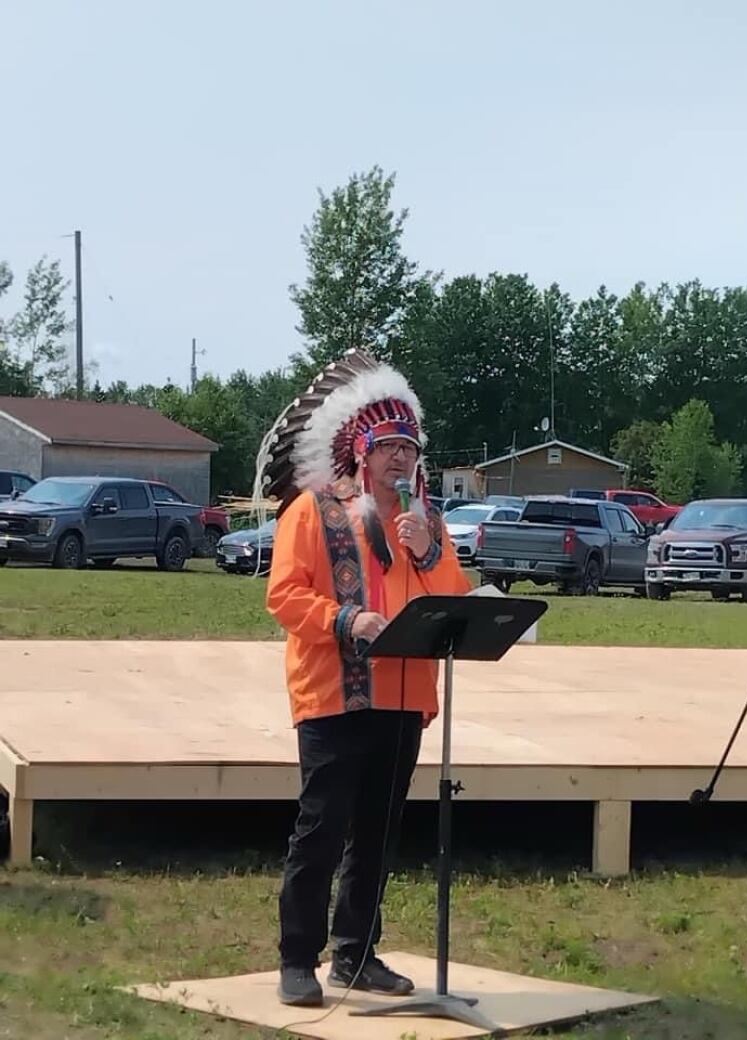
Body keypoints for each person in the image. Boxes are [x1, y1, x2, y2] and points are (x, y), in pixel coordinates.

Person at [257, 349, 471, 1008]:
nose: (400, 459)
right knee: (321, 828)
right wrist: (346, 619)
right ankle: (299, 959)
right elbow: (284, 596)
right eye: (388, 446)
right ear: (360, 449)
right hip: (332, 695)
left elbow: (455, 600)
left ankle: (356, 954)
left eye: (409, 447)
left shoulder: (426, 521)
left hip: (404, 699)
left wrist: (427, 551)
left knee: (378, 833)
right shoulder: (314, 511)